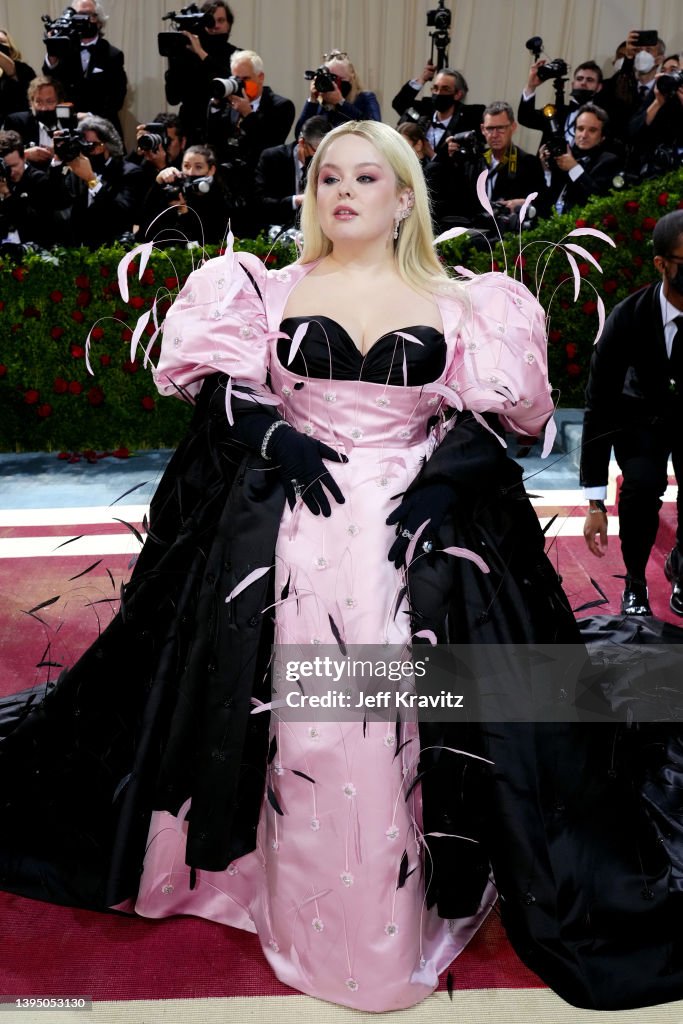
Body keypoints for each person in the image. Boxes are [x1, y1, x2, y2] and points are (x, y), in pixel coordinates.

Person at [3, 120, 683, 1015]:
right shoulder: (260, 286)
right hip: (284, 531)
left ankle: (389, 911)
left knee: (398, 711)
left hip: (413, 535)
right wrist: (272, 433)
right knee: (292, 713)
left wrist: (446, 481)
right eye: (328, 176)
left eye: (367, 176)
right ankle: (285, 898)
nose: (344, 192)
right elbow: (227, 393)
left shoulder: (472, 301)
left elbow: (499, 420)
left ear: (405, 196)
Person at [581, 209, 683, 617]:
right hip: (640, 421)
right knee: (641, 486)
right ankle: (636, 581)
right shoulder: (626, 320)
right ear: (661, 264)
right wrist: (593, 503)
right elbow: (598, 406)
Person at [426, 100, 547, 232]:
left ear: (513, 127)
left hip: (509, 236)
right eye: (490, 128)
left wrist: (524, 203)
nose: (494, 135)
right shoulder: (473, 160)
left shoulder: (528, 162)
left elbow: (544, 204)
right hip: (476, 233)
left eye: (500, 128)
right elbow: (446, 195)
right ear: (483, 129)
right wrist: (445, 156)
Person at [51, 114, 144, 247]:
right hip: (78, 251)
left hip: (111, 251)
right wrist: (58, 160)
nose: (85, 151)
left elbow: (121, 215)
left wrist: (91, 180)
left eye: (90, 145)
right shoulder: (77, 171)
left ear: (107, 146)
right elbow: (56, 201)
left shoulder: (129, 172)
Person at [42, 0, 127, 138]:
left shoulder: (112, 55)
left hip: (102, 130)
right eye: (78, 15)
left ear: (99, 21)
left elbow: (117, 97)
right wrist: (52, 52)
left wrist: (89, 116)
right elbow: (51, 82)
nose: (83, 20)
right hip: (68, 128)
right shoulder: (64, 50)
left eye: (88, 15)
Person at [163, 0, 240, 145]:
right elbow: (173, 97)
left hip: (223, 128)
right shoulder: (188, 55)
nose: (215, 25)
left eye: (221, 20)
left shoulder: (236, 55)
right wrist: (174, 59)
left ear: (229, 24)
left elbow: (226, 82)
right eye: (210, 21)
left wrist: (200, 52)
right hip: (190, 129)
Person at [140, 143, 240, 244]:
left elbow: (207, 240)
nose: (191, 172)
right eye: (186, 166)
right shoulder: (175, 190)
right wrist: (158, 182)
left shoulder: (219, 198)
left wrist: (184, 212)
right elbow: (146, 225)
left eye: (198, 167)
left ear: (211, 170)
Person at [253, 114, 330, 231]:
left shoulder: (329, 164)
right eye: (316, 151)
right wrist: (296, 200)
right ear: (302, 142)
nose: (320, 157)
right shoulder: (272, 158)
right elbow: (260, 202)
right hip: (277, 228)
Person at [541, 103, 621, 214]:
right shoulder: (568, 155)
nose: (584, 135)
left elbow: (596, 198)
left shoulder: (608, 161)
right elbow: (549, 196)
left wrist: (574, 168)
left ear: (602, 136)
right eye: (580, 128)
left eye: (592, 130)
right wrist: (547, 170)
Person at [392, 67, 484, 160]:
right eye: (435, 88)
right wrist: (423, 79)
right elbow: (399, 103)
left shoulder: (470, 118)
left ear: (458, 94)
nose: (439, 93)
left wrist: (431, 154)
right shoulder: (425, 110)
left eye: (445, 89)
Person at [518, 59, 604, 148]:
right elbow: (525, 118)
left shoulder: (601, 119)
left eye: (590, 80)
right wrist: (531, 86)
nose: (583, 83)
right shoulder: (554, 112)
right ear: (573, 84)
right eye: (579, 79)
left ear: (599, 87)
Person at [294, 49, 381, 136]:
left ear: (352, 76)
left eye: (340, 79)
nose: (334, 84)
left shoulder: (365, 98)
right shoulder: (322, 104)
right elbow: (299, 135)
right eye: (330, 78)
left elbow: (375, 129)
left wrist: (340, 102)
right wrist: (312, 100)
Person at [0, 27, 35, 124]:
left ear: (11, 49)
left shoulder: (23, 69)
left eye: (1, 42)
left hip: (16, 125)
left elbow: (10, 68)